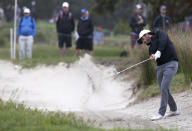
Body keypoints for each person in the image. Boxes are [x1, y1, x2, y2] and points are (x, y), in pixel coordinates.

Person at [137, 29, 180, 121]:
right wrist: (153, 57)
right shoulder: (150, 47)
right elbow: (153, 56)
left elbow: (163, 41)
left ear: (147, 34)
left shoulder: (160, 33)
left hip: (171, 64)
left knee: (164, 87)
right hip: (160, 67)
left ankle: (161, 113)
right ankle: (174, 109)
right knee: (164, 89)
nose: (143, 42)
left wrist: (159, 52)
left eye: (142, 39)